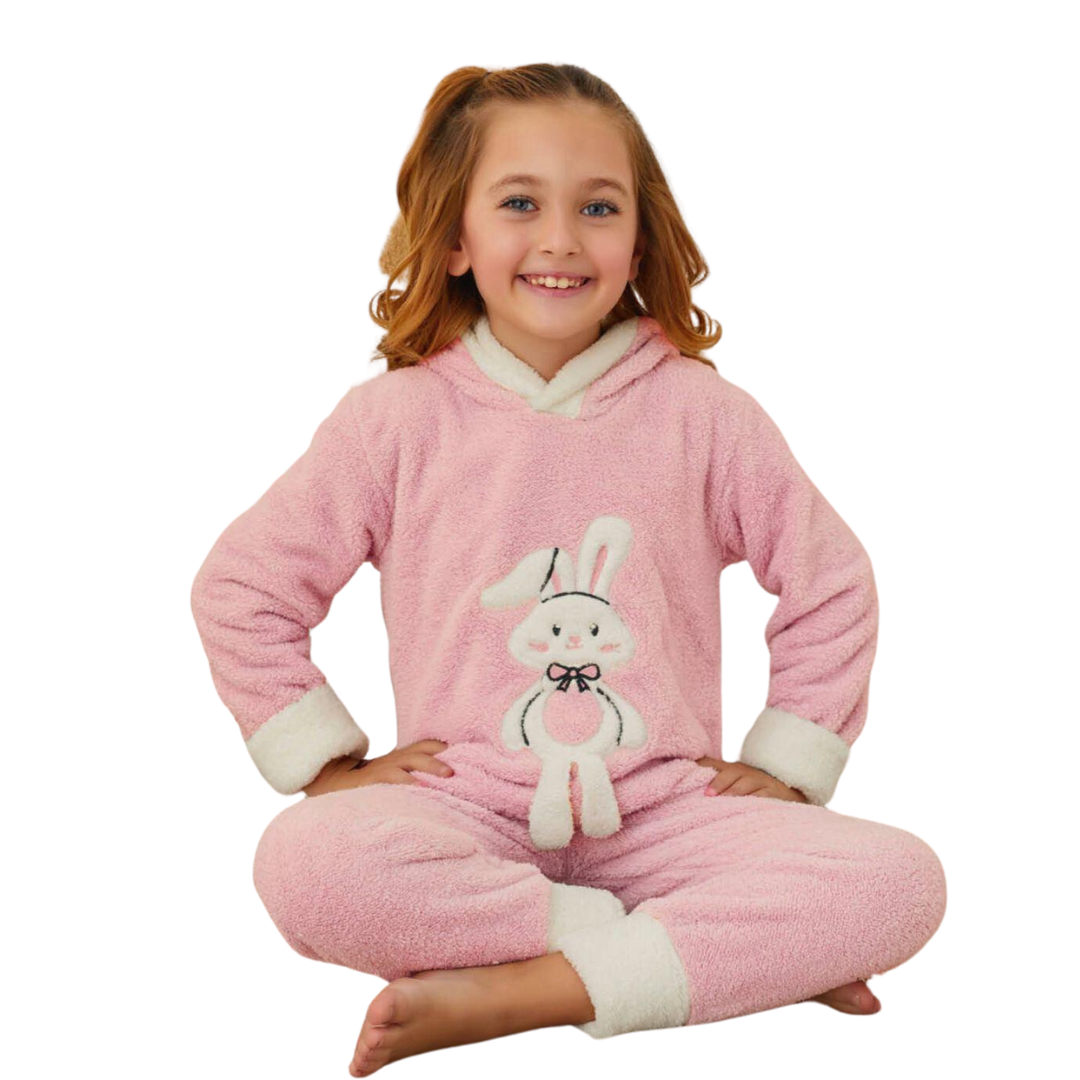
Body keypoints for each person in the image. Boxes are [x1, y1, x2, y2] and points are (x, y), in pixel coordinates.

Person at [190, 63, 946, 1078]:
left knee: (903, 884)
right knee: (306, 866)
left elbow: (829, 582)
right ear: (455, 239)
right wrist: (329, 767)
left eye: (598, 207)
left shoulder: (703, 416)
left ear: (640, 236)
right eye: (519, 204)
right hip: (465, 807)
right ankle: (700, 952)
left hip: (669, 813)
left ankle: (518, 992)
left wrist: (788, 768)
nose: (560, 239)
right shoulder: (394, 423)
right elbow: (243, 588)